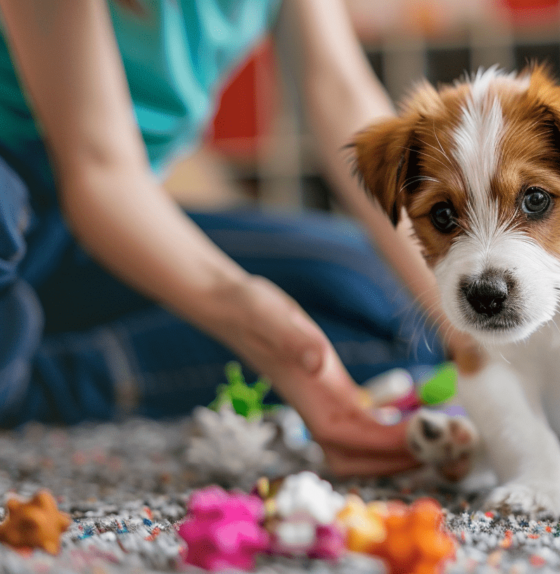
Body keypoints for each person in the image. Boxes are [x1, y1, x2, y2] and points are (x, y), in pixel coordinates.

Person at [0, 0, 478, 476]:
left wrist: (456, 304)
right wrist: (239, 308)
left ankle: (43, 377)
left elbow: (339, 91)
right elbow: (98, 170)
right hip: (36, 195)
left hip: (105, 226)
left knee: (393, 308)